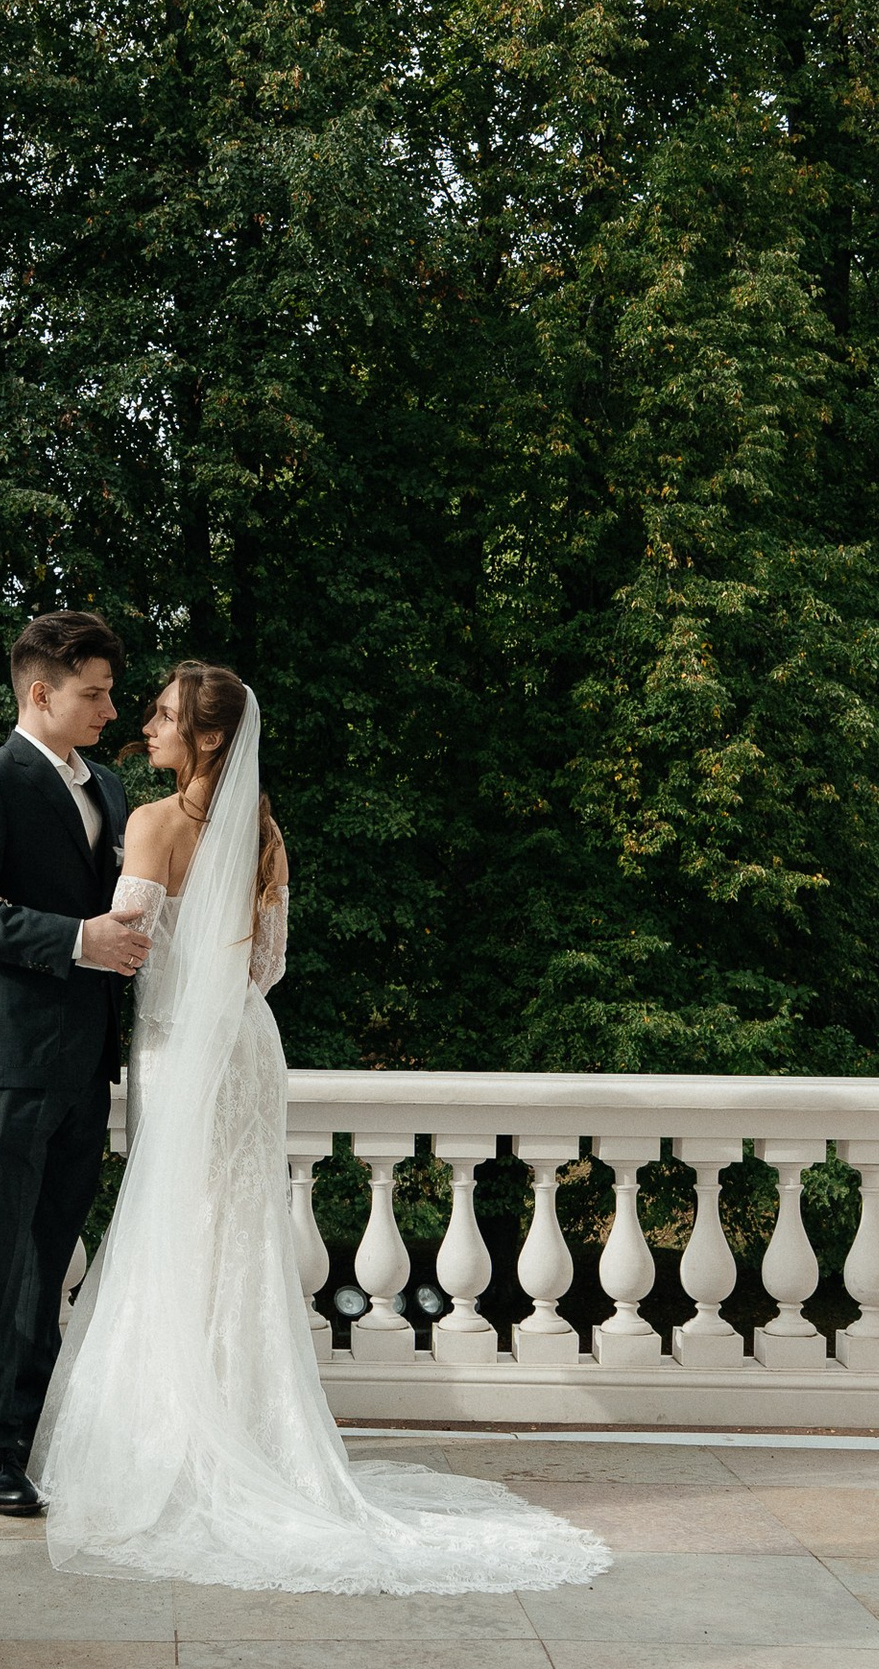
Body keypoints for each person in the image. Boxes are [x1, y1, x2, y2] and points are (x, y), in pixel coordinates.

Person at [31, 665, 611, 1598]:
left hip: (185, 1048)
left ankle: (178, 1445)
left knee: (179, 1235)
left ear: (208, 739)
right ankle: (252, 1432)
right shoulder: (263, 833)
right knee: (239, 1239)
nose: (146, 725)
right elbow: (268, 967)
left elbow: (128, 948)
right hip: (248, 1051)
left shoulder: (150, 822)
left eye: (165, 716)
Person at [0, 611, 149, 1518]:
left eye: (107, 691)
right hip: (6, 1061)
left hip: (85, 1064)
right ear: (41, 692)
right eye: (94, 693)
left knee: (49, 1254)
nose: (109, 708)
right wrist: (77, 940)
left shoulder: (110, 785)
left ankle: (30, 1427)